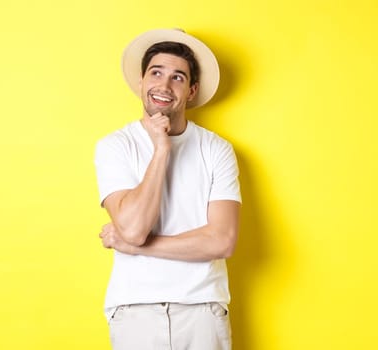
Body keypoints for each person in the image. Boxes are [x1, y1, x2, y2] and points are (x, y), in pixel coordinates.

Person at [94, 29, 241, 350]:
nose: (164, 85)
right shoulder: (115, 146)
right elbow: (132, 229)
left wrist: (139, 248)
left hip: (202, 307)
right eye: (156, 73)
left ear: (191, 91)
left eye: (178, 77)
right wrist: (161, 149)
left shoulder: (217, 149)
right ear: (142, 81)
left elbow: (222, 240)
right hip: (135, 309)